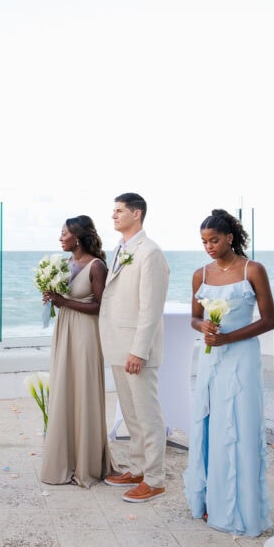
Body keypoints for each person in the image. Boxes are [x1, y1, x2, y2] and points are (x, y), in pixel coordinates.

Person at [183, 209, 274, 536]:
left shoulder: (253, 270)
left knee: (240, 425)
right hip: (212, 360)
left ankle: (240, 508)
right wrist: (204, 326)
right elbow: (194, 317)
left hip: (242, 358)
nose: (209, 246)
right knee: (211, 424)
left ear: (230, 238)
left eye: (214, 240)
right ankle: (211, 500)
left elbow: (268, 320)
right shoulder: (200, 274)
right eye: (204, 241)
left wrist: (228, 338)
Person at [99, 192, 170, 503]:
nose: (113, 215)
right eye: (113, 210)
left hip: (137, 349)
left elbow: (151, 308)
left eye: (119, 210)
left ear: (136, 213)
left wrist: (139, 350)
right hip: (118, 343)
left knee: (147, 415)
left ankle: (155, 479)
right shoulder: (120, 248)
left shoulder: (150, 252)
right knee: (130, 413)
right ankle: (138, 468)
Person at [40, 215, 113, 488]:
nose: (60, 238)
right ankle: (65, 457)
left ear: (78, 237)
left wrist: (64, 302)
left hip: (86, 334)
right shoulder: (65, 264)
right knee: (65, 388)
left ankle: (87, 462)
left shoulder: (96, 266)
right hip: (65, 330)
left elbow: (101, 306)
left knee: (83, 389)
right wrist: (52, 299)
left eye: (64, 233)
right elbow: (63, 300)